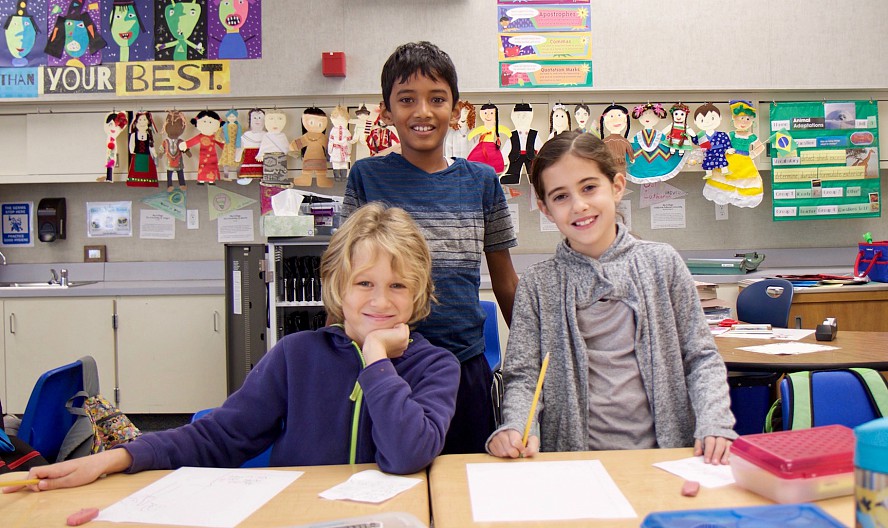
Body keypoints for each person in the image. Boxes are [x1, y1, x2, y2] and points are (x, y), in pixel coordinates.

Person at [4, 203, 461, 493]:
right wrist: (118, 456)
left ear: (418, 293)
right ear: (338, 287)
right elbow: (218, 436)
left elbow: (406, 455)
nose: (381, 301)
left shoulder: (436, 366)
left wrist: (378, 358)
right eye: (365, 283)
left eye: (398, 285)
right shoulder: (296, 355)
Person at [486, 131, 736, 464]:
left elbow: (701, 357)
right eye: (561, 197)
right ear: (545, 209)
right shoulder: (537, 285)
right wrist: (517, 426)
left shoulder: (662, 263)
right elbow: (523, 376)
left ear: (617, 187)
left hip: (666, 459)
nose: (579, 205)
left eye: (589, 187)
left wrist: (714, 421)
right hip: (575, 466)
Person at [342, 41, 519, 455]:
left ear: (457, 110)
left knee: (467, 480)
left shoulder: (482, 181)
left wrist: (530, 348)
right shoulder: (366, 176)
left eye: (437, 99)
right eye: (407, 100)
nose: (422, 111)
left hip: (464, 365)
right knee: (386, 473)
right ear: (385, 110)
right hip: (387, 362)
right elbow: (344, 276)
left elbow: (505, 279)